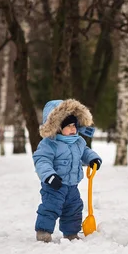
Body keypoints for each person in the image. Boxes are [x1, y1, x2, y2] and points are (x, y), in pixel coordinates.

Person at [33, 99, 102, 243]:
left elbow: (85, 152)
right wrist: (49, 176)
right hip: (54, 186)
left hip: (72, 186)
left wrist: (93, 159)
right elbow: (42, 160)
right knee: (50, 208)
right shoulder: (50, 144)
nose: (73, 129)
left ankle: (71, 233)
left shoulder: (78, 142)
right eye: (68, 126)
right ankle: (43, 232)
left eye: (74, 125)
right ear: (58, 127)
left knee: (74, 209)